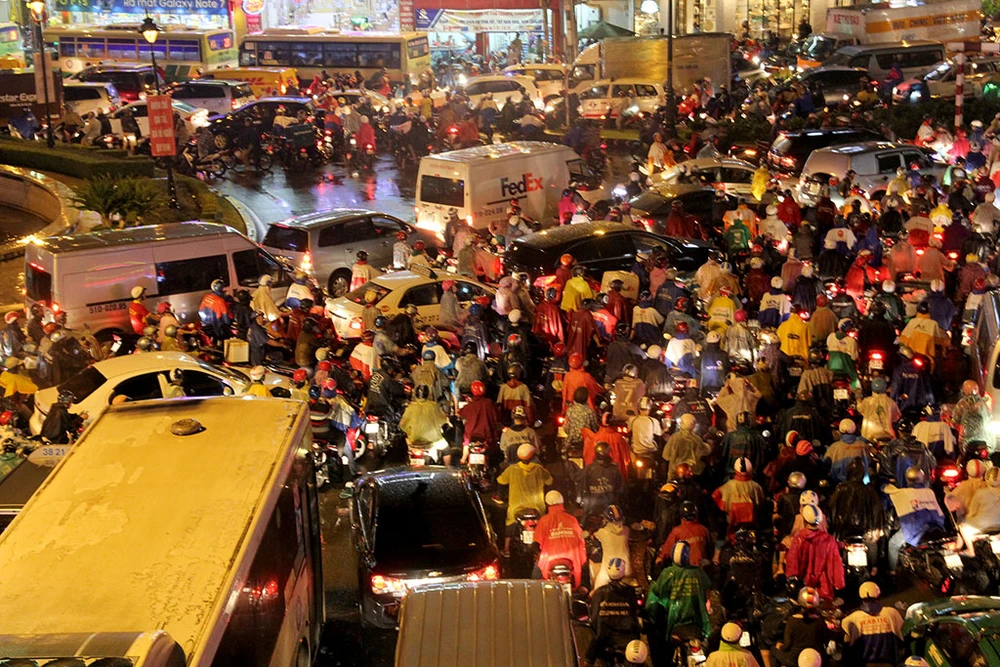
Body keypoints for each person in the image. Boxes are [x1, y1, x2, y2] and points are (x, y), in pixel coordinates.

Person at [884, 467, 946, 573]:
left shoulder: (904, 493)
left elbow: (888, 492)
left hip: (915, 529)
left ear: (908, 479)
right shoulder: (929, 492)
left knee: (893, 544)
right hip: (935, 526)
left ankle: (892, 572)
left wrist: (882, 482)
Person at [496, 444, 553, 555]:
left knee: (510, 523)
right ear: (533, 456)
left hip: (516, 507)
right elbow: (550, 482)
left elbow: (501, 481)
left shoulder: (512, 469)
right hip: (537, 507)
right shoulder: (539, 469)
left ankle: (506, 548)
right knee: (542, 525)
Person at [785, 504, 845, 600]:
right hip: (824, 590)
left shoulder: (799, 539)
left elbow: (792, 564)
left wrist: (792, 583)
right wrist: (839, 584)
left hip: (804, 590)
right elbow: (836, 564)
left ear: (804, 520)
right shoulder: (829, 540)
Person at [841, 582, 903, 667]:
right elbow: (901, 632)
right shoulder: (891, 613)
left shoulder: (853, 618)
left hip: (864, 663)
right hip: (889, 662)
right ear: (878, 594)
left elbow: (847, 643)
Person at [533, 490, 586, 587]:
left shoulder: (543, 521)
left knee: (535, 579)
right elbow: (581, 537)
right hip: (572, 558)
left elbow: (537, 541)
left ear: (547, 504)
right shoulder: (572, 519)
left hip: (549, 558)